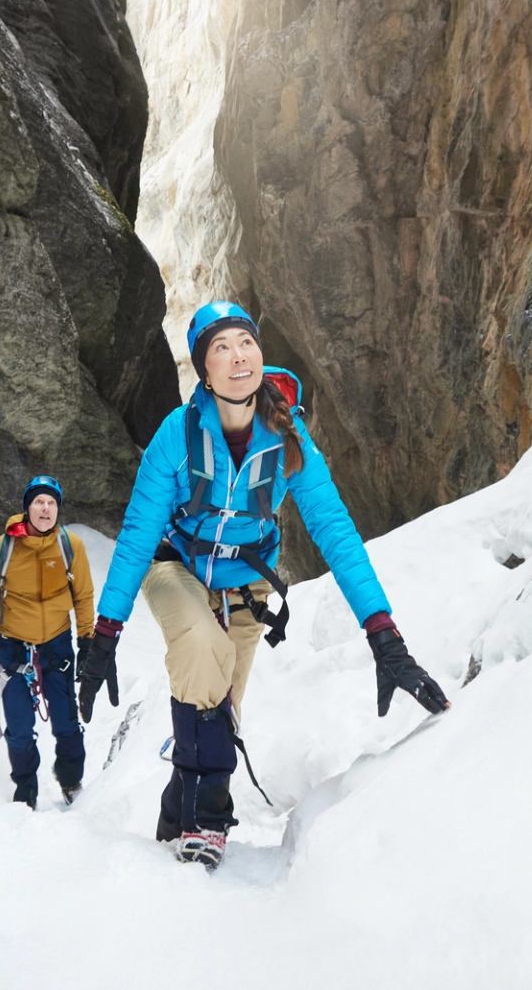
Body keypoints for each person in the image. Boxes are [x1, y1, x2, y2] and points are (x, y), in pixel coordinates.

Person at [76, 301, 448, 867]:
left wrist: (383, 634)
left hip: (247, 581)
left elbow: (335, 531)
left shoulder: (287, 435)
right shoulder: (176, 437)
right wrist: (105, 635)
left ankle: (177, 813)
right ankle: (207, 821)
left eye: (244, 343)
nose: (237, 356)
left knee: (219, 703)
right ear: (204, 371)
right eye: (220, 348)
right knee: (203, 649)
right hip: (173, 567)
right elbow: (135, 537)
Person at [0, 474, 94, 808]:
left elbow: (84, 597)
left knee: (67, 723)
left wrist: (88, 642)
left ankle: (70, 778)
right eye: (39, 502)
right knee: (19, 729)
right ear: (27, 508)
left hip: (58, 645)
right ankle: (26, 789)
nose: (45, 509)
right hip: (14, 646)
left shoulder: (69, 546)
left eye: (51, 503)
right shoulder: (1, 548)